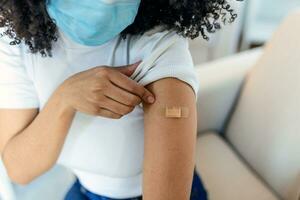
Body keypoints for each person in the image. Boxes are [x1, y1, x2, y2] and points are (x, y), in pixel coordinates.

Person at [0, 0, 239, 199]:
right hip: (83, 190)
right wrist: (64, 99)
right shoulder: (18, 40)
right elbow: (20, 169)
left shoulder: (160, 46)